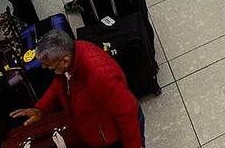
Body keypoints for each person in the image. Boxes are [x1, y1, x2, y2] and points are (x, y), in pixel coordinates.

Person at [11, 30, 143, 148]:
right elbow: (59, 84)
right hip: (96, 129)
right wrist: (41, 109)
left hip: (115, 136)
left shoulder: (100, 75)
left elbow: (128, 113)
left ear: (65, 61)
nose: (46, 68)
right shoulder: (71, 53)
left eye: (49, 66)